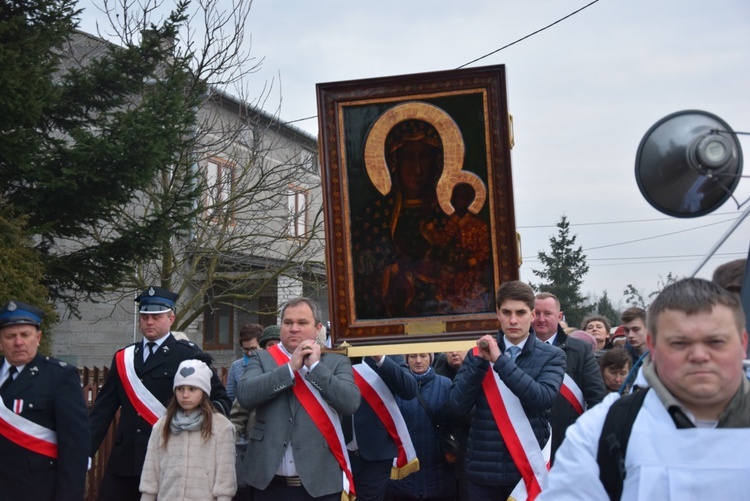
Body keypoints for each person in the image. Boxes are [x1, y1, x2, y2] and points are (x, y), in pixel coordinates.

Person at [540, 278, 750, 500]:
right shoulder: (603, 428)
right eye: (679, 343)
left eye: (715, 341)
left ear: (743, 343)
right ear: (653, 345)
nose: (699, 355)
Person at [89, 286, 232, 501]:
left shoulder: (188, 354)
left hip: (168, 458)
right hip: (125, 459)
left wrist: (194, 421)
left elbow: (221, 401)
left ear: (171, 318)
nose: (149, 322)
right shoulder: (125, 357)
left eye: (156, 316)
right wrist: (84, 451)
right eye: (145, 316)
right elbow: (102, 411)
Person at [448, 281, 566, 500]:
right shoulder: (477, 355)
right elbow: (456, 407)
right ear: (497, 315)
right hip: (482, 473)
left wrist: (499, 360)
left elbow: (542, 399)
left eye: (520, 313)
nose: (513, 320)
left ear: (531, 315)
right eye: (506, 312)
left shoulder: (553, 356)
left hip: (528, 472)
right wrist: (481, 363)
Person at [235, 297, 361, 500]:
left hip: (321, 484)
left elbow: (350, 403)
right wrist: (289, 369)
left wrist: (316, 369)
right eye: (288, 322)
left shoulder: (336, 361)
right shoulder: (262, 358)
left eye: (302, 323)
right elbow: (246, 395)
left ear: (318, 328)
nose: (294, 328)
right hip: (269, 484)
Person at [0, 300, 90, 501]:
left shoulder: (60, 376)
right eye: (10, 336)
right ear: (0, 341)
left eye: (25, 335)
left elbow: (75, 449)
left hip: (36, 490)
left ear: (38, 337)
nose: (18, 342)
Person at [140, 359, 237, 500]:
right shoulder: (162, 426)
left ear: (203, 392)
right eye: (180, 389)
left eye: (192, 389)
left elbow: (225, 478)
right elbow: (151, 474)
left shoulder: (221, 427)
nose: (185, 395)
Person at [531, 293, 607, 460]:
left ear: (559, 316)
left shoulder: (580, 350)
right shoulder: (517, 349)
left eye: (548, 313)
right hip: (528, 442)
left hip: (569, 441)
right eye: (537, 313)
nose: (541, 319)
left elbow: (597, 397)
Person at [344, 354, 417, 501]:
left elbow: (409, 390)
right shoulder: (333, 350)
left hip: (375, 453)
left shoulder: (386, 352)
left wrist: (380, 358)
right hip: (339, 452)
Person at [386, 353, 455, 501]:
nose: (418, 361)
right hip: (403, 474)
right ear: (406, 360)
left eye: (423, 356)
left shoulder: (445, 384)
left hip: (439, 472)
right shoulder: (395, 386)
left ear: (431, 358)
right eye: (412, 357)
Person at [226, 323, 264, 400]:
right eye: (246, 349)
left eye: (253, 348)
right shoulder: (236, 366)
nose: (249, 353)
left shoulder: (270, 364)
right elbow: (230, 397)